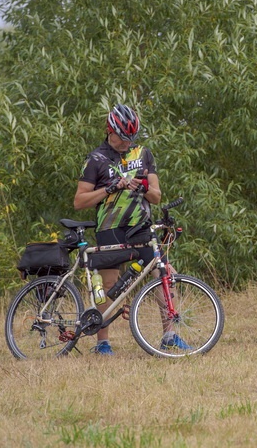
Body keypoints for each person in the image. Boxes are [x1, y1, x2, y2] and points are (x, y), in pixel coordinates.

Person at [74, 104, 189, 355]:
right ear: (109, 131)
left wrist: (141, 188)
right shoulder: (96, 159)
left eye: (132, 138)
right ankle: (103, 343)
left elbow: (157, 196)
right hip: (109, 227)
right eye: (123, 137)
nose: (127, 142)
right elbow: (79, 201)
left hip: (141, 227)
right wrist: (111, 188)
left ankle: (169, 335)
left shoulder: (143, 154)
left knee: (164, 274)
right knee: (109, 284)